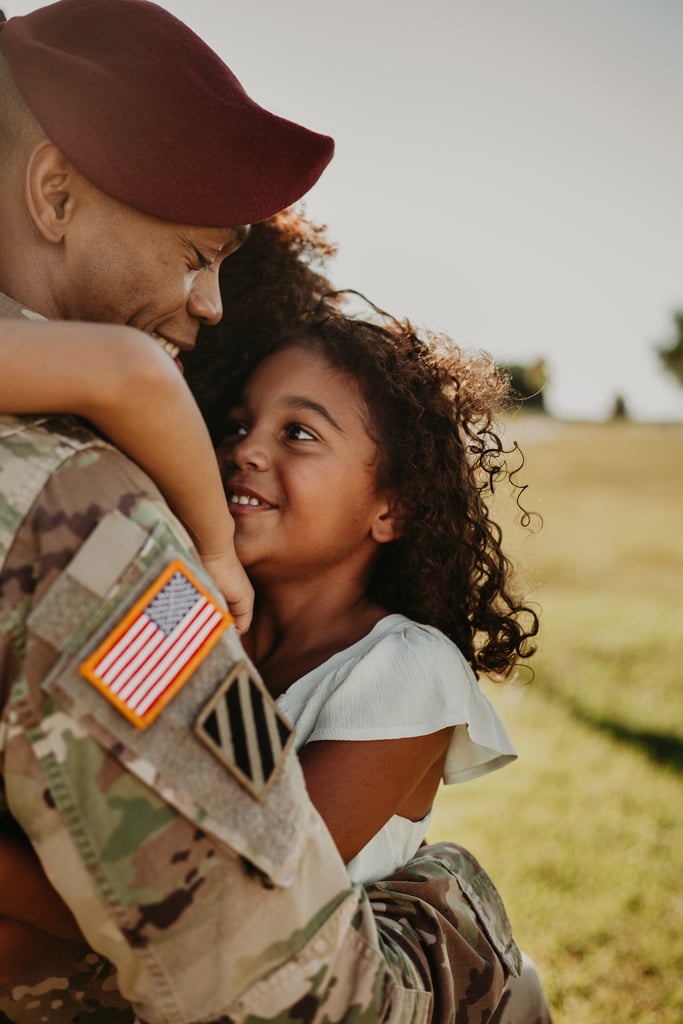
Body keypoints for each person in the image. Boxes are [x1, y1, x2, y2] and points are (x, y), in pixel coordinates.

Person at [0, 2, 528, 1023]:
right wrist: (449, 915)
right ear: (53, 193)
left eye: (301, 432)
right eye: (196, 255)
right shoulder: (91, 523)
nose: (207, 304)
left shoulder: (399, 665)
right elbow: (264, 965)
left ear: (393, 504)